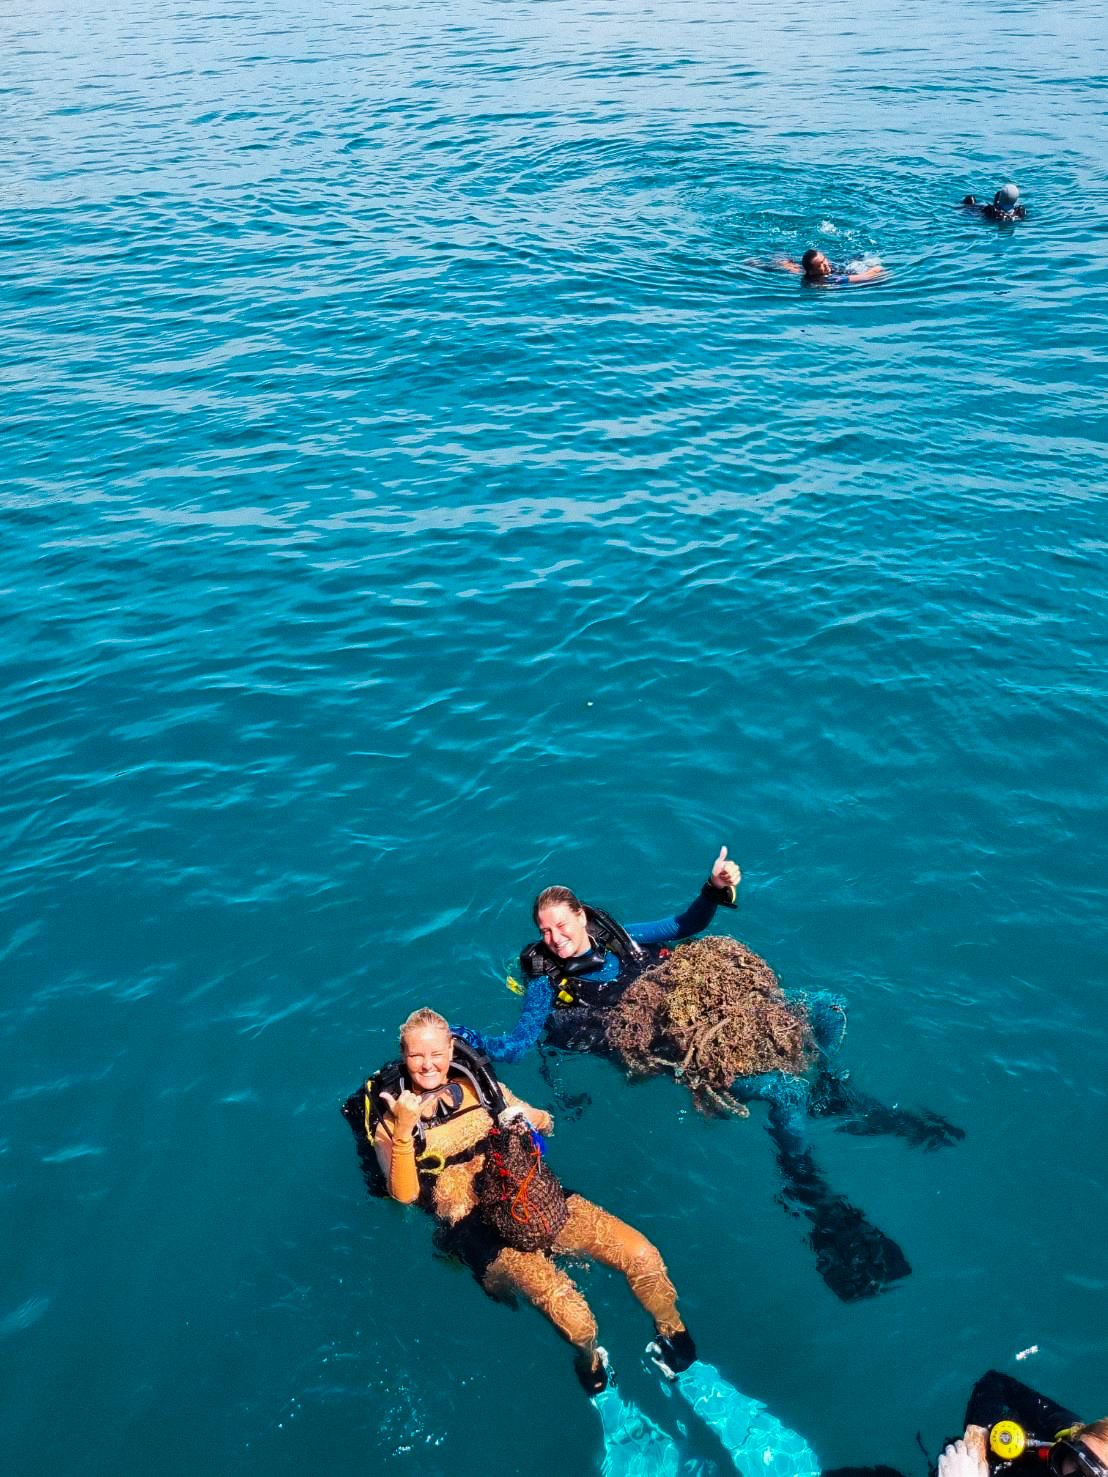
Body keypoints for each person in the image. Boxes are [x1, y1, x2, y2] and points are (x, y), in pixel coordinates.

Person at [454, 850, 963, 1302]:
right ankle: (810, 1190)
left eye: (561, 926)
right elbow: (519, 1046)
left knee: (826, 1010)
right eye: (544, 931)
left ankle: (840, 1099)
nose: (554, 939)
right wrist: (463, 1039)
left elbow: (684, 925)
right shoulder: (547, 980)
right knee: (785, 1090)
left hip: (713, 1019)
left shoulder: (621, 939)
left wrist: (714, 890)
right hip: (679, 1053)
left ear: (583, 917)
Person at [347, 1007, 695, 1395]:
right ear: (403, 1055)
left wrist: (529, 1116)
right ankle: (591, 1362)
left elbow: (548, 1123)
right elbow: (404, 1196)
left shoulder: (479, 1083)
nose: (428, 1065)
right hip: (472, 1227)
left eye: (436, 1053)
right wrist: (404, 1131)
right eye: (416, 1056)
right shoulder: (391, 1114)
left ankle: (673, 1335)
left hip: (527, 1196)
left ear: (450, 1049)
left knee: (642, 1255)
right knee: (577, 1320)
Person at [935, 1371, 1108, 1477]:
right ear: (1073, 1439)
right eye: (1078, 1464)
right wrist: (976, 1442)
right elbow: (995, 1384)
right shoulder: (1060, 1425)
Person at [776, 248, 885, 284]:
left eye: (825, 260)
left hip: (842, 264)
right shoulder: (834, 280)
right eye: (820, 265)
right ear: (812, 272)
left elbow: (787, 264)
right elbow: (872, 274)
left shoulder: (803, 271)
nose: (826, 265)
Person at [962, 183, 1026, 221]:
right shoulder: (1019, 212)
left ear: (1001, 198)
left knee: (970, 198)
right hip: (1004, 211)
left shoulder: (991, 210)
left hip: (976, 212)